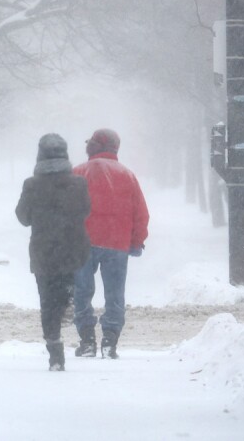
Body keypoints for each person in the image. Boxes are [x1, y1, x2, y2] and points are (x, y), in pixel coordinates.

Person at [71, 127, 149, 359]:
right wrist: (136, 241)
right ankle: (110, 341)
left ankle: (87, 341)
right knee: (115, 294)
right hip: (117, 243)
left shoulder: (78, 172)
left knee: (82, 292)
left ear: (94, 146)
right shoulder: (128, 175)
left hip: (82, 242)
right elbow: (141, 213)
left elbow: (65, 210)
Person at [14, 133, 90, 371]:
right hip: (71, 250)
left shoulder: (32, 185)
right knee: (65, 291)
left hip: (44, 252)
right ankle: (66, 305)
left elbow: (23, 217)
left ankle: (54, 349)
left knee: (47, 301)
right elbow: (86, 211)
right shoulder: (78, 184)